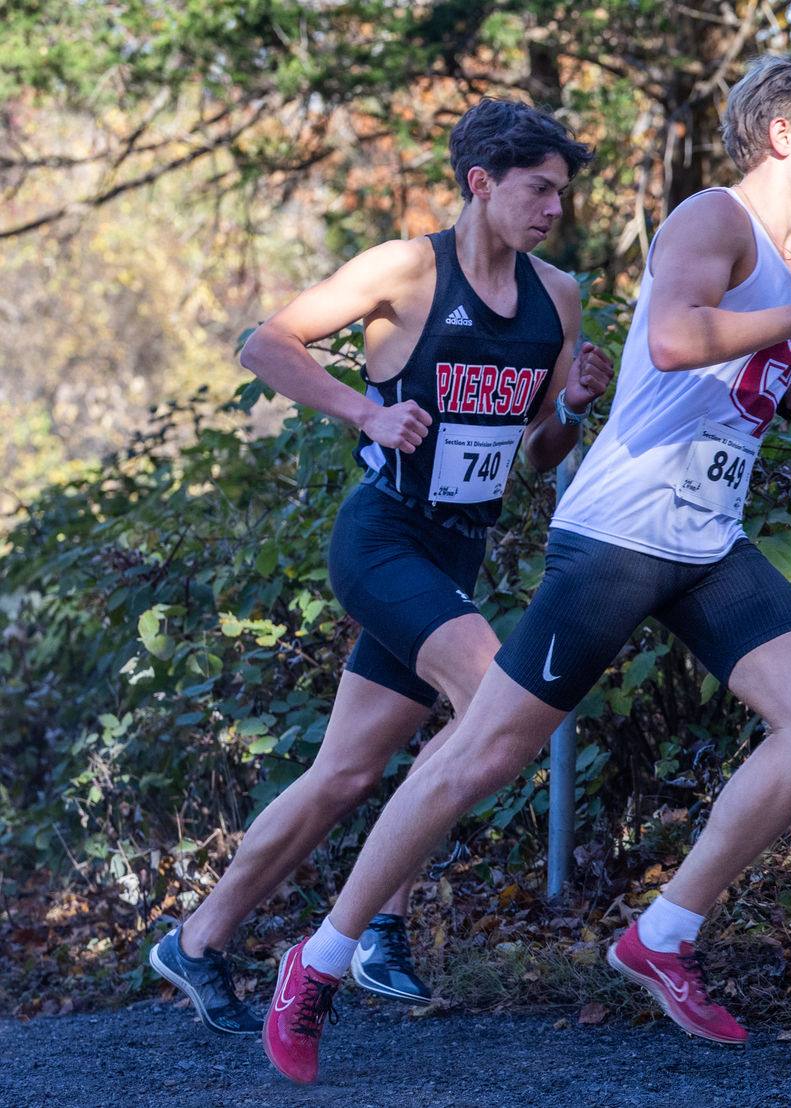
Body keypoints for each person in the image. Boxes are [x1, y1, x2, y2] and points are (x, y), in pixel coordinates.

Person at [263, 52, 791, 1084]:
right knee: (479, 755)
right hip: (622, 534)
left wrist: (788, 389)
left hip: (706, 536)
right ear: (784, 134)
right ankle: (320, 956)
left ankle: (663, 935)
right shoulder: (711, 219)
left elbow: (714, 385)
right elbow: (679, 338)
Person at [148, 99, 614, 1039]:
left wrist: (569, 403)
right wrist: (364, 413)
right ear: (481, 183)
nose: (553, 208)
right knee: (492, 697)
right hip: (385, 536)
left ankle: (195, 942)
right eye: (537, 188)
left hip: (458, 552)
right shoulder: (407, 268)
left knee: (346, 773)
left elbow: (537, 451)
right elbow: (265, 344)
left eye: (561, 192)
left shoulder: (556, 297)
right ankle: (374, 930)